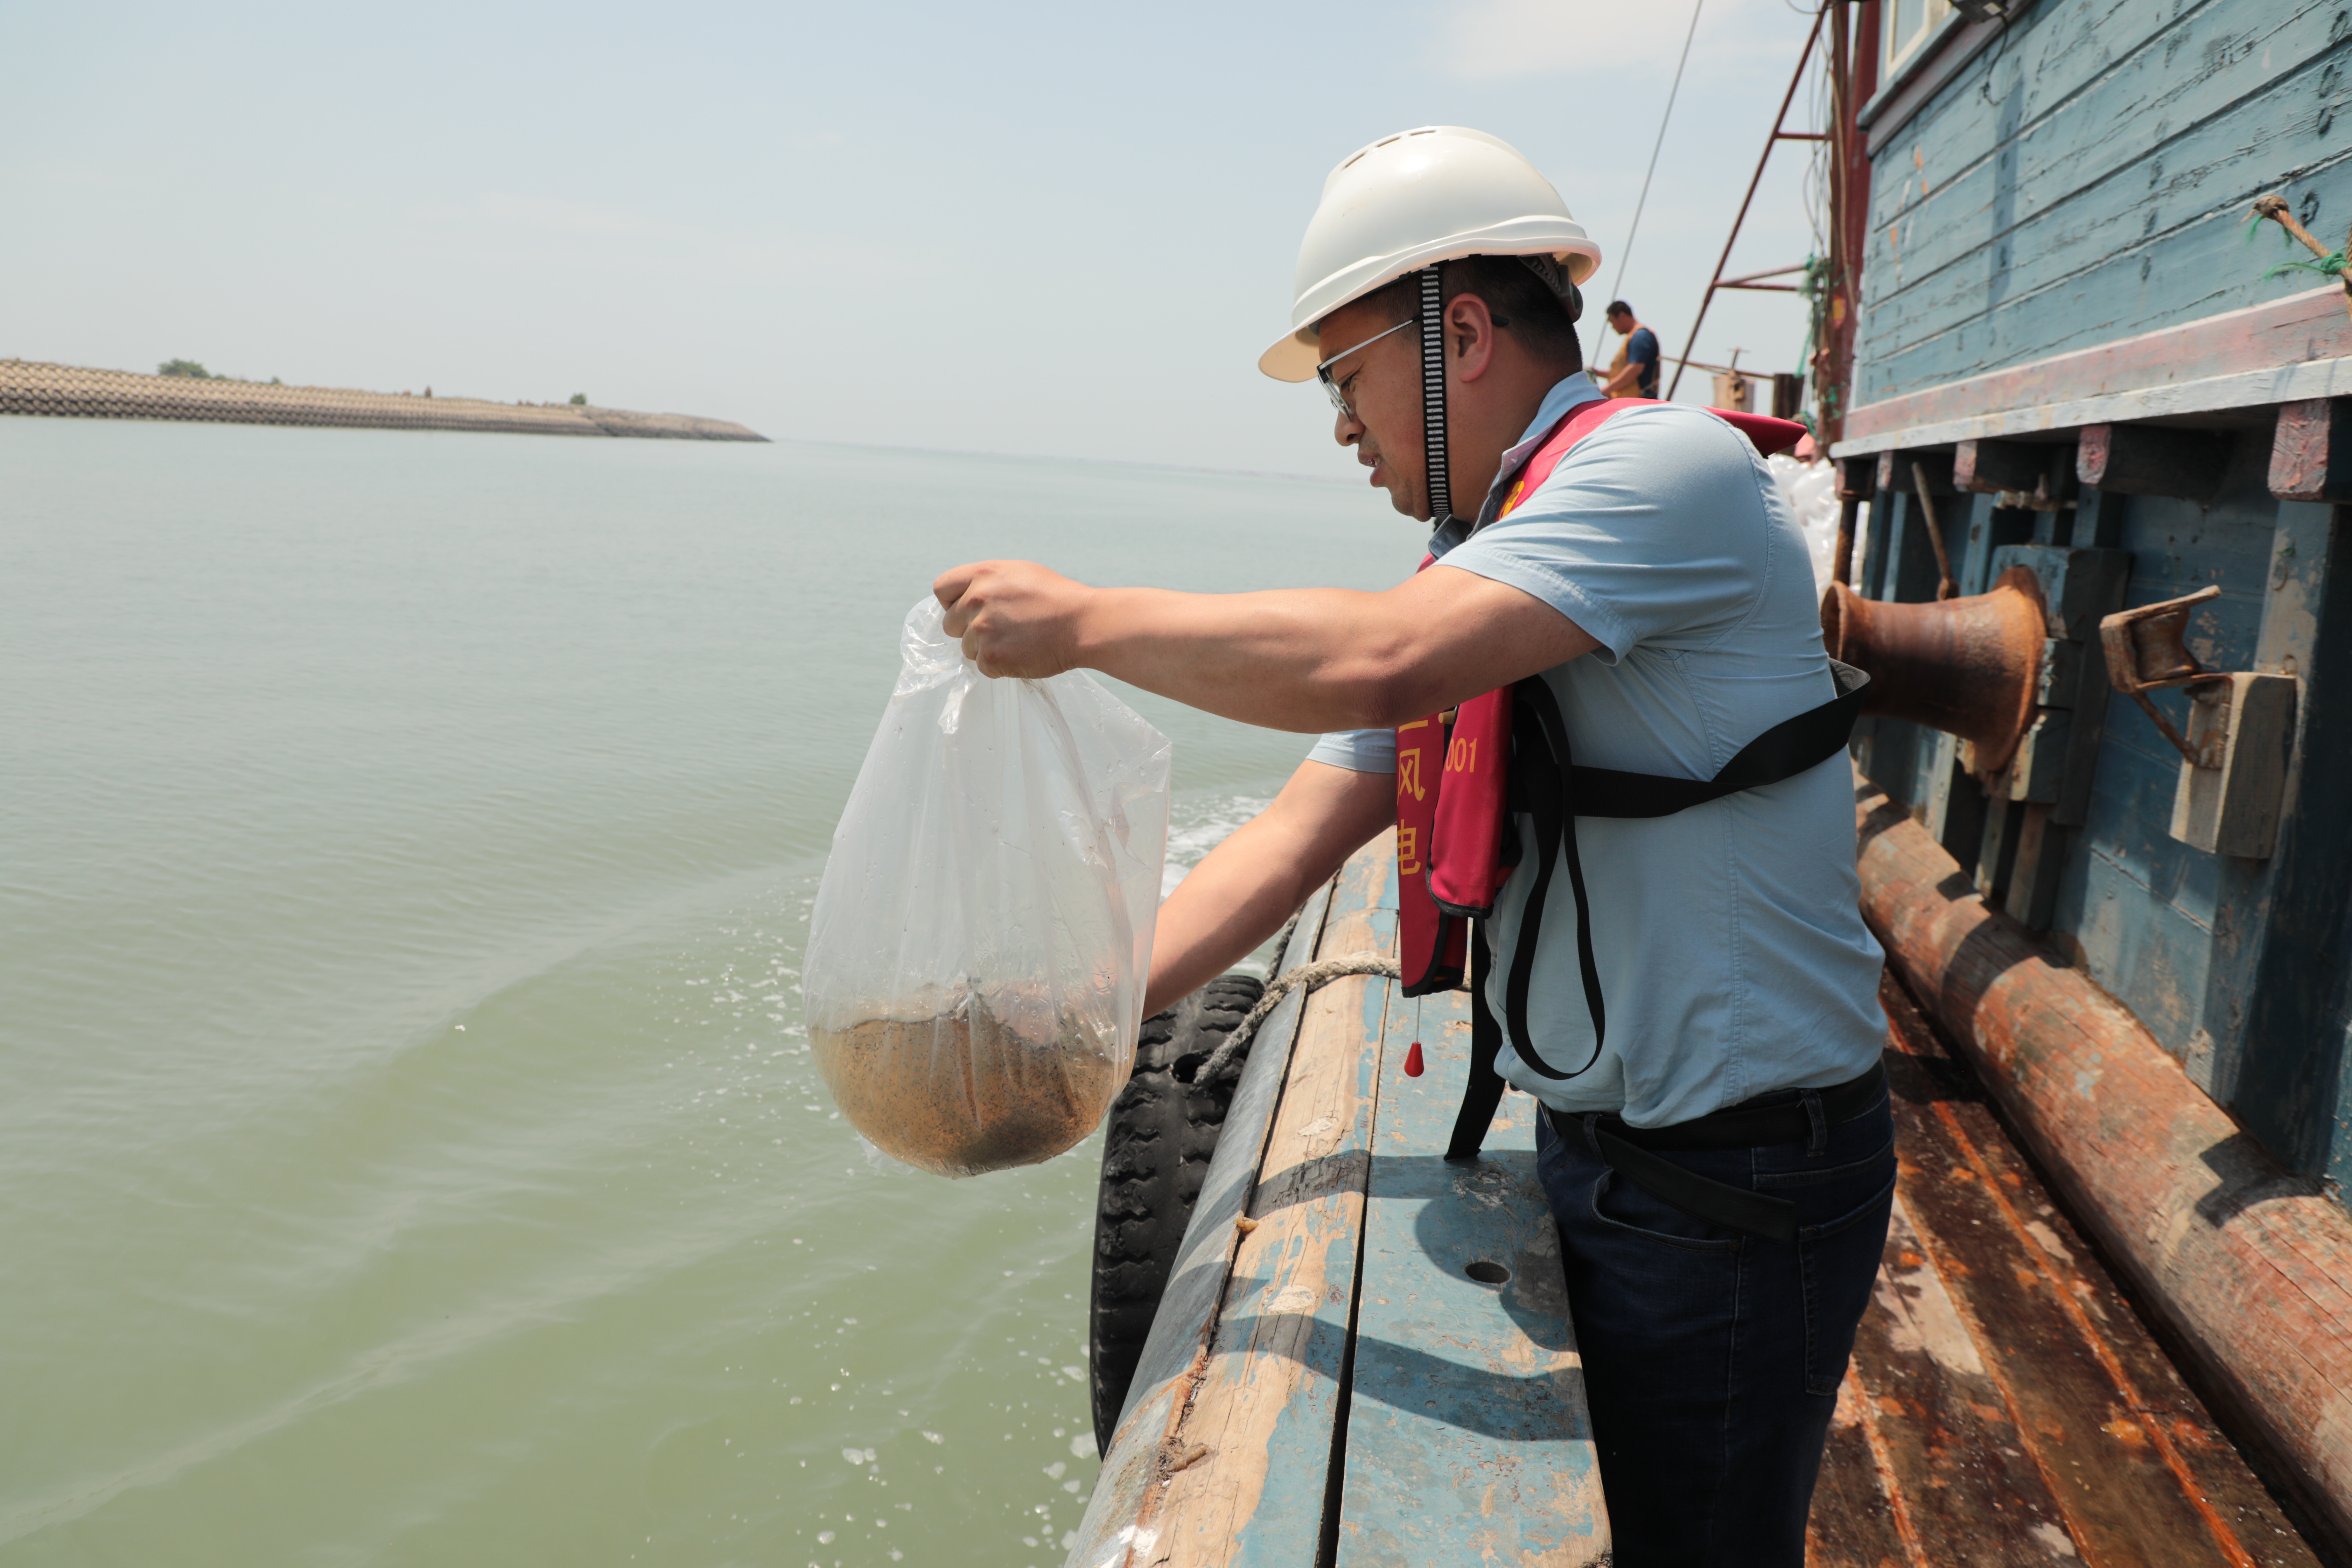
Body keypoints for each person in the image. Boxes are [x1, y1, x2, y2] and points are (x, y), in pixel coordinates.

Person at [933, 126, 1891, 1567]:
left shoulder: (1665, 473)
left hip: (1738, 1180)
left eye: (1344, 376)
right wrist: (1064, 1018)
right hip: (1606, 1151)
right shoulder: (1487, 555)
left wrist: (1084, 624)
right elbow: (1292, 837)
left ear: (1461, 335)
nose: (1338, 425)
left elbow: (1382, 658)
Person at [1595, 300, 1660, 398]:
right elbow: (1623, 373)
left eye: (1613, 322)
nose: (1613, 327)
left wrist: (1608, 389)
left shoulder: (1640, 337)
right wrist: (1598, 373)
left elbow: (1635, 368)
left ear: (1622, 316)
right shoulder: (1635, 337)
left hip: (1640, 402)